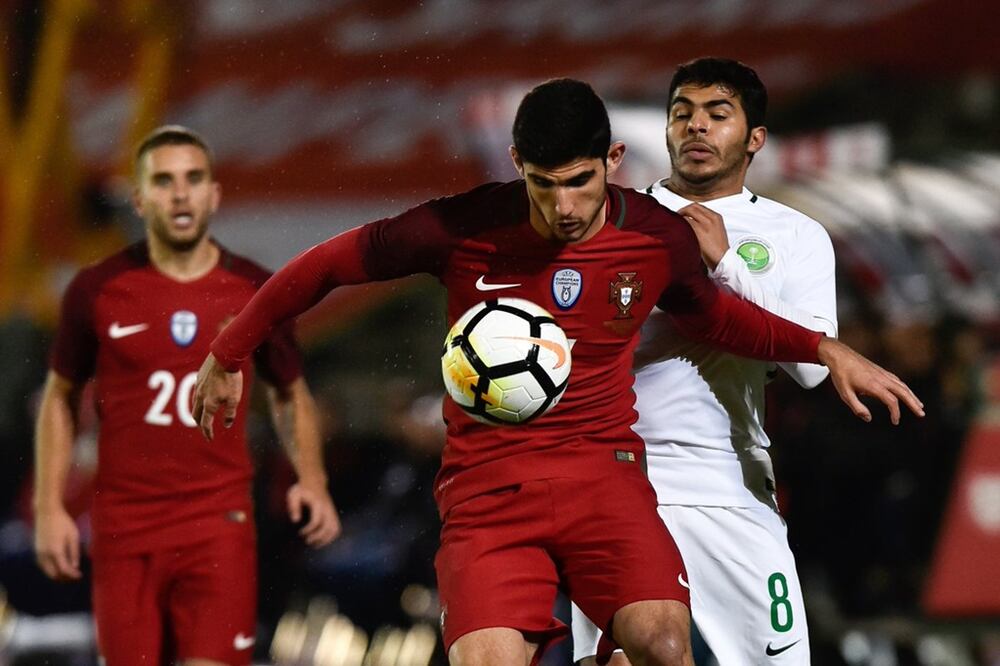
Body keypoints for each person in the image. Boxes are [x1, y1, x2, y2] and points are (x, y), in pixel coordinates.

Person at [191, 79, 922, 666]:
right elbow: (324, 265)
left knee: (666, 645)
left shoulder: (653, 235)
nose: (565, 206)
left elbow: (717, 319)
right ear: (516, 162)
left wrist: (823, 349)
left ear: (612, 159)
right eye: (544, 184)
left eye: (579, 181)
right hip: (487, 493)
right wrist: (229, 352)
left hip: (604, 479)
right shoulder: (462, 226)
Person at [33, 126, 341, 665]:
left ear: (213, 195)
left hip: (216, 526)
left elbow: (291, 393)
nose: (181, 193)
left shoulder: (253, 291)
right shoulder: (96, 291)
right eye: (165, 180)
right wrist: (48, 506)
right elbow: (59, 398)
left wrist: (311, 479)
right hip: (125, 531)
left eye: (194, 179)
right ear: (140, 198)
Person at [570, 57, 843, 665]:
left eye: (717, 114)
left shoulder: (795, 235)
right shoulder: (609, 221)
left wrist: (727, 265)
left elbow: (811, 367)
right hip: (619, 480)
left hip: (731, 485)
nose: (696, 127)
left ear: (754, 139)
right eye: (682, 113)